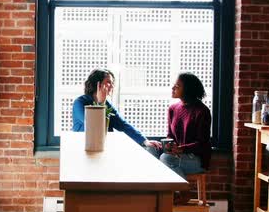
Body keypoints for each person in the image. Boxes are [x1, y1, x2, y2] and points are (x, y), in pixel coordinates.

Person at [72, 68, 162, 152]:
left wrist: (145, 141)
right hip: (84, 148)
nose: (112, 86)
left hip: (102, 148)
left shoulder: (107, 104)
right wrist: (100, 104)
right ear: (98, 84)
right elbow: (93, 126)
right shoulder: (80, 102)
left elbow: (123, 125)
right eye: (108, 82)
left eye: (112, 83)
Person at [160, 73, 211, 204]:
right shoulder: (173, 108)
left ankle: (183, 191)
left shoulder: (202, 111)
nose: (172, 88)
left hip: (196, 159)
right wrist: (168, 146)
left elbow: (202, 143)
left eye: (177, 86)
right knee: (154, 154)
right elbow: (170, 135)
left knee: (165, 159)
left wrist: (181, 149)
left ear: (187, 89)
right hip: (177, 157)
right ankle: (174, 193)